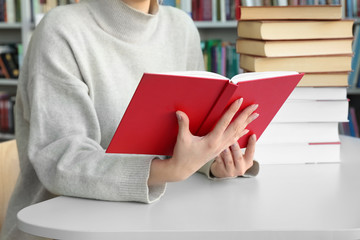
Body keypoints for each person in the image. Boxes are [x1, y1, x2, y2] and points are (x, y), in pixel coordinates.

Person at [0, 0, 259, 239]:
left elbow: (189, 134)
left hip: (158, 220)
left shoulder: (181, 28)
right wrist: (168, 170)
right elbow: (62, 160)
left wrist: (213, 162)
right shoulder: (61, 30)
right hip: (64, 229)